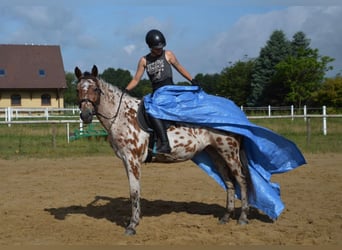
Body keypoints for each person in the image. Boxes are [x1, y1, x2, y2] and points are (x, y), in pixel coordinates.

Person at [125, 29, 198, 154]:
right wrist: (125, 90)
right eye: (156, 48)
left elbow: (180, 68)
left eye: (161, 47)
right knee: (146, 106)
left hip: (169, 90)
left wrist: (193, 80)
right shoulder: (144, 61)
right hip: (156, 92)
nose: (159, 50)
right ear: (150, 47)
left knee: (153, 109)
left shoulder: (168, 54)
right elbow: (136, 79)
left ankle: (165, 144)